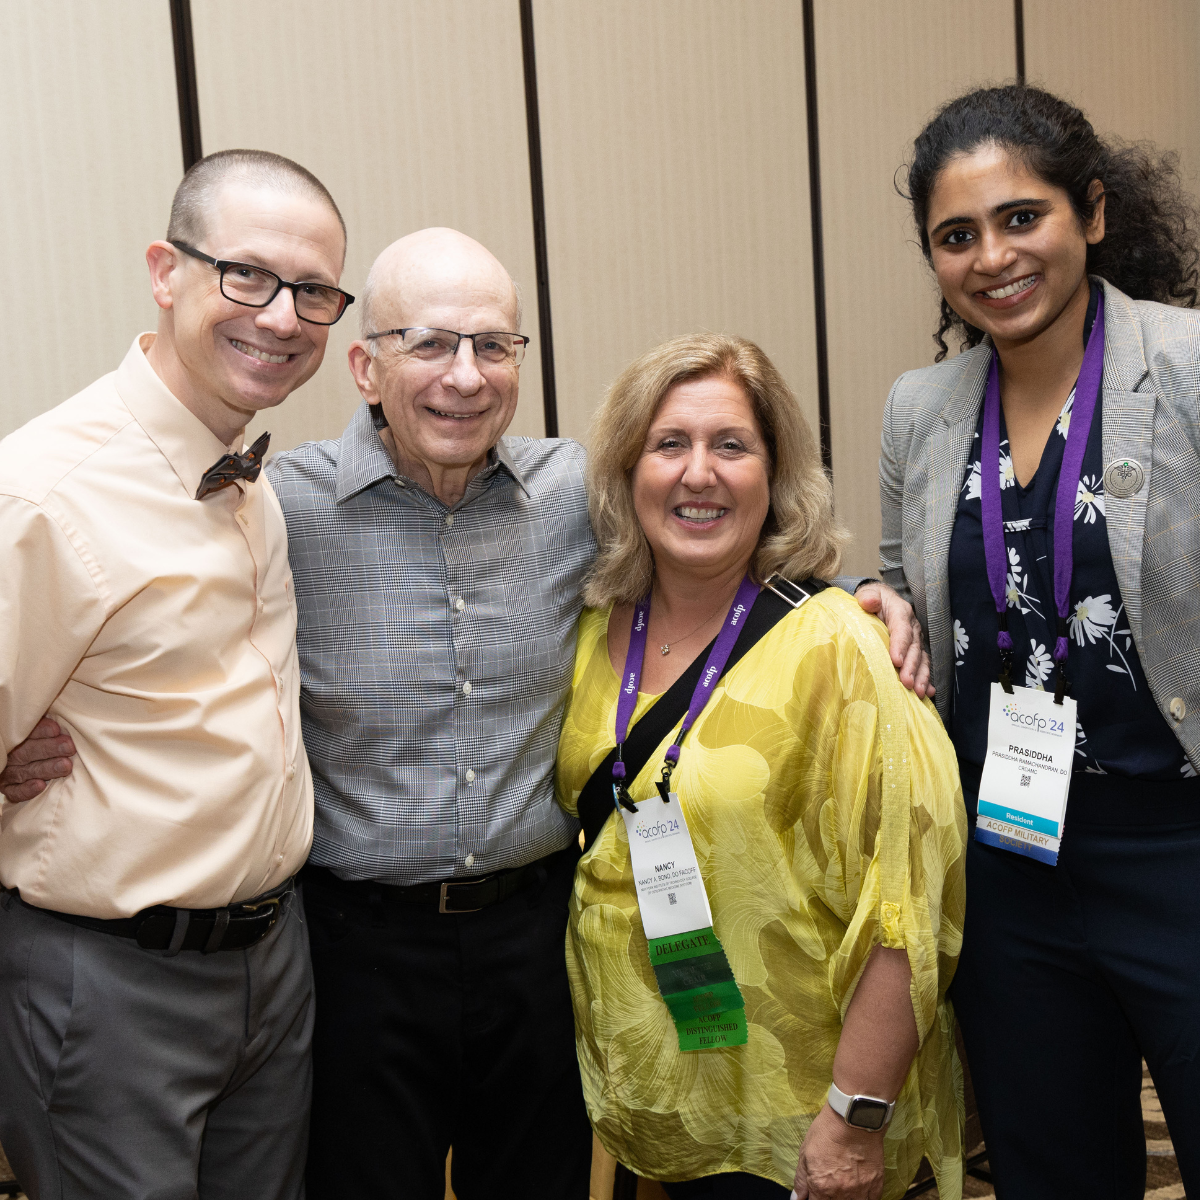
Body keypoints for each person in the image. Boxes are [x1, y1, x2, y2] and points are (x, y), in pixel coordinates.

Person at [2, 226, 933, 1198]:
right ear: (366, 366)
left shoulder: (578, 492)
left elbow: (711, 539)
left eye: (494, 346)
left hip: (535, 940)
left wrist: (863, 593)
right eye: (429, 344)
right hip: (354, 952)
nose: (465, 376)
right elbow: (149, 608)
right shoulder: (283, 510)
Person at [0, 149, 353, 1198]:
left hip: (273, 965)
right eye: (245, 276)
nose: (282, 316)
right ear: (166, 270)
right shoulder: (45, 495)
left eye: (316, 292)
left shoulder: (255, 481)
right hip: (107, 984)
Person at [880, 84, 1200, 1198]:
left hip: (1178, 841)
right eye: (956, 235)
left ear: (1093, 214)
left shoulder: (1190, 365)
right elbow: (903, 575)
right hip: (1010, 857)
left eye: (1024, 217)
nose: (993, 256)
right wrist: (882, 611)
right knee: (1051, 1167)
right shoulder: (920, 409)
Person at [556, 332, 966, 1200]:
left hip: (795, 1122)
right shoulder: (594, 631)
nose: (698, 473)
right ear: (628, 471)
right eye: (669, 444)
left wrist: (854, 1121)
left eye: (730, 445)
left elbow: (906, 911)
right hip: (646, 1102)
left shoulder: (845, 647)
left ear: (774, 474)